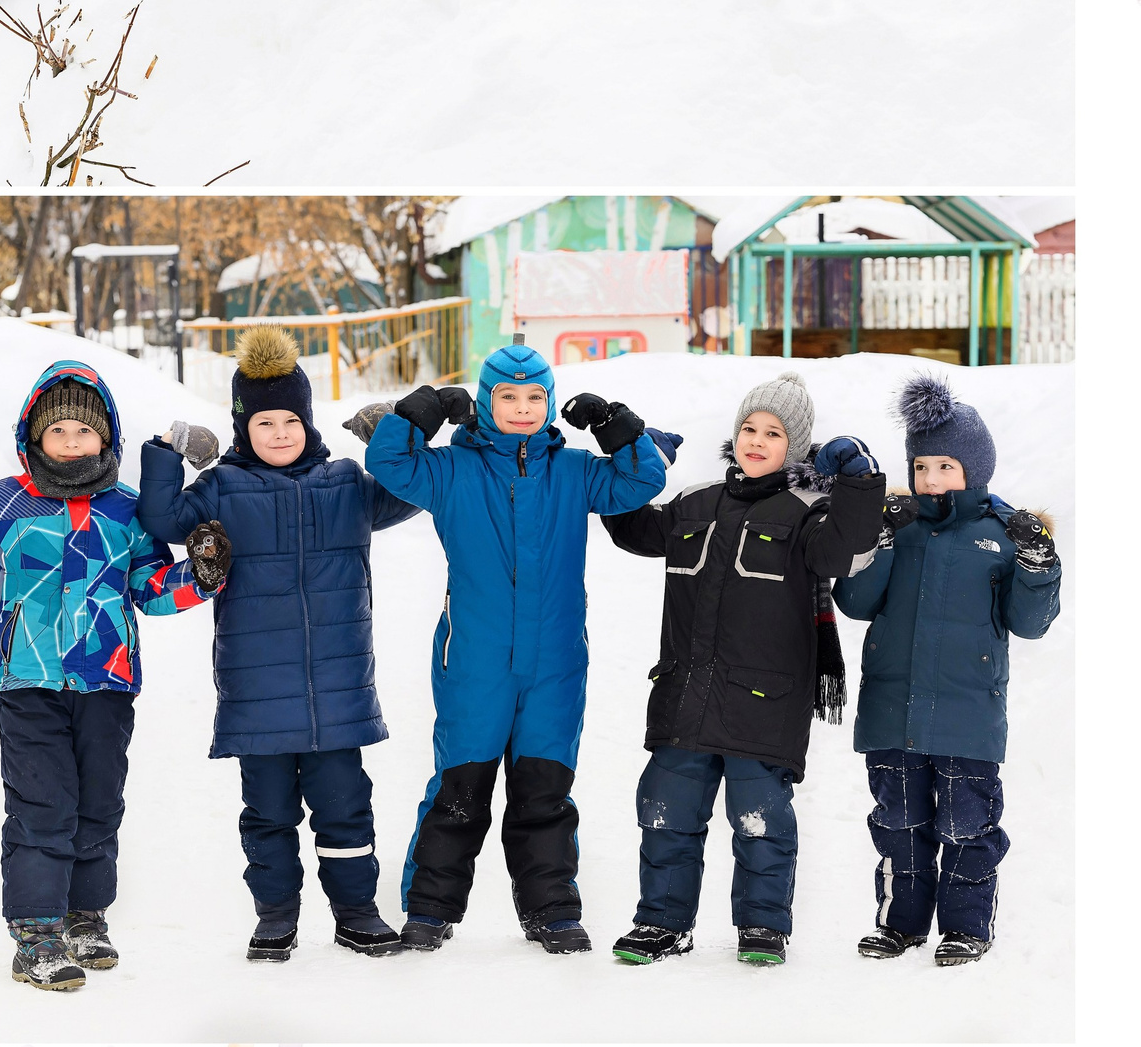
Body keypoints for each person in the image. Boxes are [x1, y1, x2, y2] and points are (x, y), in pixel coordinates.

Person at [0, 364, 227, 990]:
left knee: (99, 804)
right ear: (34, 437)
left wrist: (199, 575)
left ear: (107, 437)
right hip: (28, 681)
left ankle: (84, 915)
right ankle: (36, 933)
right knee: (42, 805)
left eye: (85, 429)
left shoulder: (126, 512)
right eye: (58, 429)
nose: (72, 441)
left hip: (107, 680)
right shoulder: (9, 499)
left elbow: (150, 590)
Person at [359, 344, 667, 953]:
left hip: (555, 661)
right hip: (475, 659)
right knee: (460, 787)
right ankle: (429, 909)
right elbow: (390, 462)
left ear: (549, 403)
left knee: (544, 790)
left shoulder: (575, 471)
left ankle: (552, 910)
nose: (522, 409)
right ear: (484, 402)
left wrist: (616, 426)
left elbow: (641, 479)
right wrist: (418, 412)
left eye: (535, 398)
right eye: (507, 397)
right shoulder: (450, 471)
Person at [136, 329, 419, 961]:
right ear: (243, 429)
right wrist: (168, 449)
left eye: (292, 419)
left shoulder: (347, 483)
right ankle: (275, 917)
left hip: (337, 694)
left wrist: (391, 441)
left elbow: (411, 494)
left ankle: (356, 913)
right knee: (267, 817)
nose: (282, 433)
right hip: (258, 694)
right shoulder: (222, 491)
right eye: (266, 423)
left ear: (309, 421)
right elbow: (161, 521)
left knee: (346, 814)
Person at [598, 372, 887, 967]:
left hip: (764, 701)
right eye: (749, 429)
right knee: (665, 811)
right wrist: (632, 455)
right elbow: (627, 526)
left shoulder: (811, 513)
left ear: (797, 446)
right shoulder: (697, 501)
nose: (756, 441)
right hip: (685, 694)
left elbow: (846, 553)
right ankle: (661, 924)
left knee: (760, 820)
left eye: (774, 433)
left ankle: (761, 926)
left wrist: (858, 480)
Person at [833, 375, 1060, 965]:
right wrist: (875, 541)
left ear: (974, 469)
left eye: (945, 466)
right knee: (899, 827)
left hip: (967, 716)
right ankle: (899, 923)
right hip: (893, 711)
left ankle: (965, 928)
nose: (930, 479)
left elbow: (1029, 623)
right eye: (921, 466)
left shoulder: (1000, 535)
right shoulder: (898, 529)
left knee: (967, 829)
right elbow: (855, 603)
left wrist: (1037, 563)